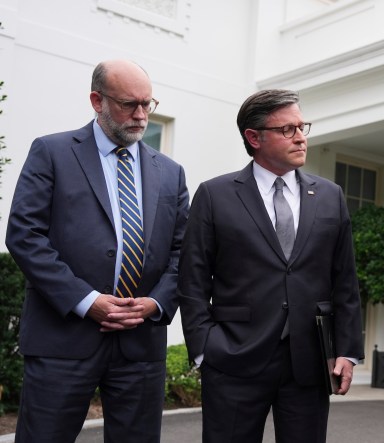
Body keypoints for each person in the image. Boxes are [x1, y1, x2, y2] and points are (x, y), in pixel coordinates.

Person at [5, 59, 189, 443]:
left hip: (140, 343)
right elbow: (25, 234)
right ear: (96, 100)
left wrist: (155, 304)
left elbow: (183, 251)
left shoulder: (171, 172)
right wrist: (87, 301)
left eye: (147, 104)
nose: (141, 116)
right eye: (128, 104)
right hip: (63, 339)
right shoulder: (52, 152)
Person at [177, 89, 364, 443]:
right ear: (254, 137)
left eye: (302, 126)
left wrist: (347, 351)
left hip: (309, 362)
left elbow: (345, 282)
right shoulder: (215, 195)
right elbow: (192, 280)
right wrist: (205, 349)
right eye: (287, 129)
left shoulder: (330, 196)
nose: (300, 137)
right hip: (234, 359)